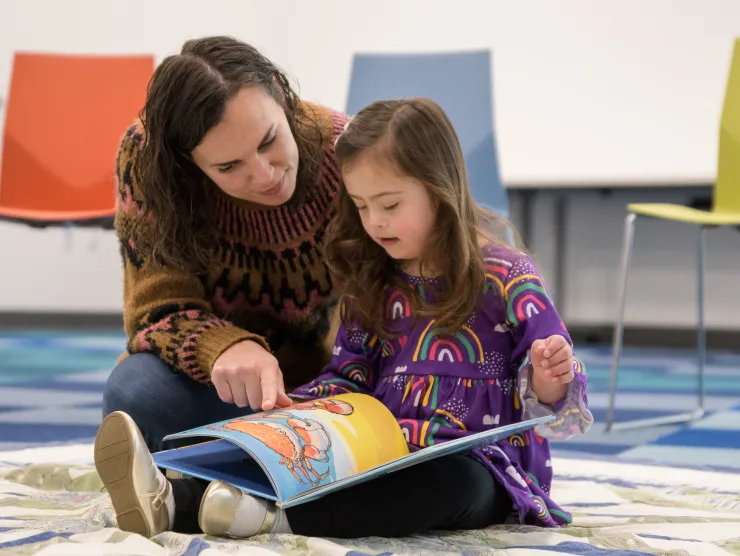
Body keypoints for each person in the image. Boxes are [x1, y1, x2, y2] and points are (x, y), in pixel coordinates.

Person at [95, 97, 593, 539]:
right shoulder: (374, 284)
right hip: (383, 449)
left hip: (482, 466)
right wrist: (301, 410)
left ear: (441, 190)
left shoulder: (507, 275)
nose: (375, 222)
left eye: (390, 205)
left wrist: (551, 380)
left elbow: (554, 399)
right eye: (361, 206)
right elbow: (350, 375)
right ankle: (177, 497)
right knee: (305, 454)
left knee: (446, 486)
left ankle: (268, 518)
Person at [103, 35, 350, 452]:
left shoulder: (345, 149)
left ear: (278, 90)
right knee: (135, 391)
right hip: (220, 393)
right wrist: (225, 346)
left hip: (330, 392)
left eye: (268, 140)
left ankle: (212, 484)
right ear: (188, 162)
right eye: (229, 166)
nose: (265, 175)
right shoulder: (148, 160)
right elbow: (155, 313)